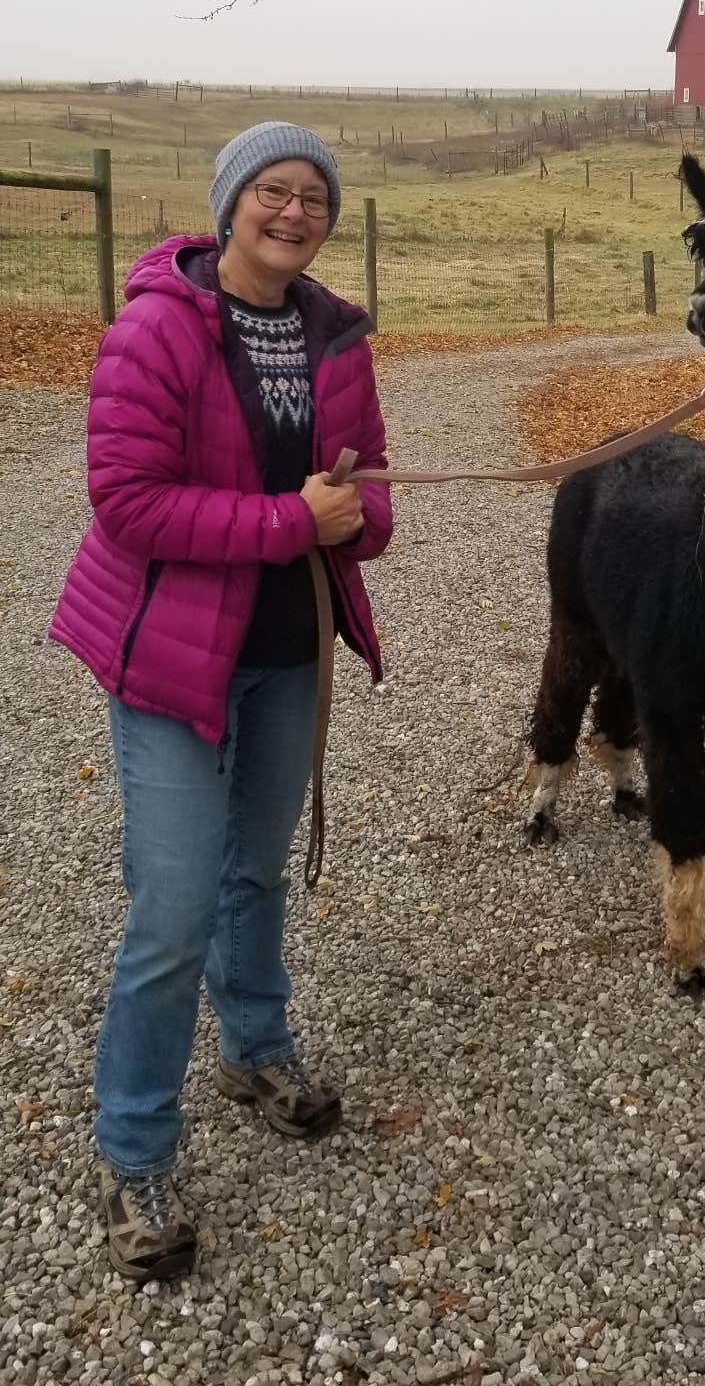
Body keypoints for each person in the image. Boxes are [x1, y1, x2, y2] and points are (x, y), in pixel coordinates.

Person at [51, 121, 393, 1285]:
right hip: (167, 658)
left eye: (315, 198)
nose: (296, 213)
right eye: (275, 192)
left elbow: (372, 499)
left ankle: (255, 1049)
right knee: (174, 906)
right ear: (230, 202)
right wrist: (297, 520)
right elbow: (130, 504)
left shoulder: (336, 335)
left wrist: (353, 514)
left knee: (255, 871)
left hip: (288, 650)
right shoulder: (155, 326)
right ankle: (134, 1146)